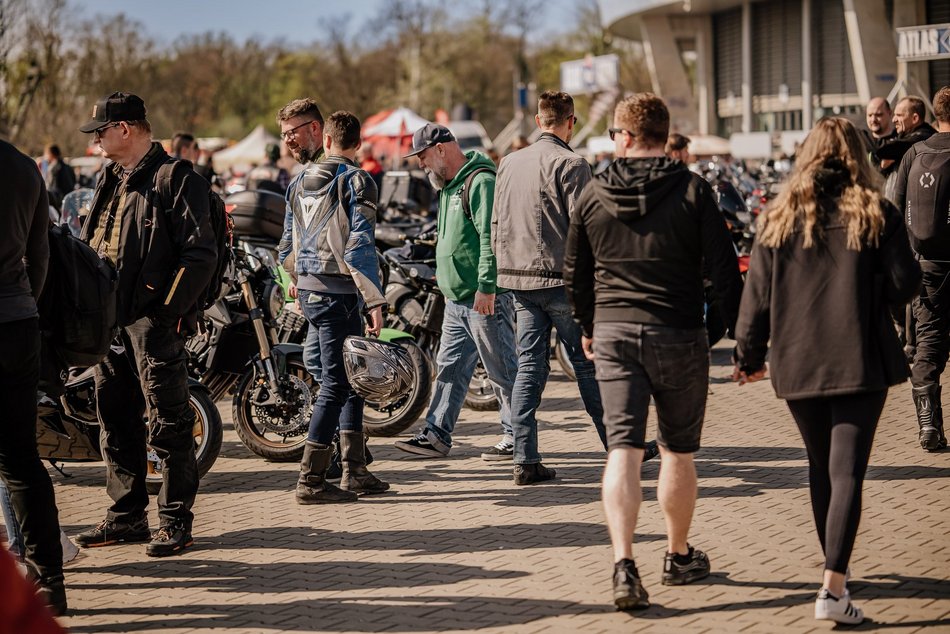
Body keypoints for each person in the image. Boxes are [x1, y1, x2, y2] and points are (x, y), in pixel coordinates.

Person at [734, 117, 920, 624]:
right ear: (858, 154)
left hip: (798, 360)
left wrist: (748, 358)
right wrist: (869, 281)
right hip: (859, 356)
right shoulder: (876, 211)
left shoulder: (778, 216)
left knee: (822, 468)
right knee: (848, 472)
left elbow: (757, 300)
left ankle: (833, 575)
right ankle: (834, 586)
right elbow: (906, 285)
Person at [564, 93, 743, 611]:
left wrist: (588, 325)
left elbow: (574, 271)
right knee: (676, 450)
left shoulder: (594, 193)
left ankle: (623, 565)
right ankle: (678, 554)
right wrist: (719, 335)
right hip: (678, 330)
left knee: (623, 449)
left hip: (616, 333)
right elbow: (725, 271)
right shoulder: (692, 190)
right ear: (664, 137)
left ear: (622, 136)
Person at [74, 92, 218, 557]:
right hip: (109, 322)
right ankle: (126, 516)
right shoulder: (110, 178)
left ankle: (175, 521)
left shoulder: (176, 179)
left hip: (152, 324)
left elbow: (200, 256)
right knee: (114, 421)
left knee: (169, 423)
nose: (95, 139)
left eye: (101, 130)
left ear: (127, 129)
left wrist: (167, 314)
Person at [492, 90, 606, 484]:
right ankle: (621, 448)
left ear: (540, 121)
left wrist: (502, 268)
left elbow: (496, 222)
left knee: (528, 369)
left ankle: (525, 459)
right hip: (561, 282)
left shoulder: (508, 161)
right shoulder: (572, 163)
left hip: (519, 280)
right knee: (588, 366)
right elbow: (586, 229)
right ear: (570, 121)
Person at [278, 110, 389, 503]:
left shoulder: (297, 182)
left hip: (309, 292)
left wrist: (298, 281)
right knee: (337, 384)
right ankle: (310, 480)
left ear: (325, 140)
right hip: (339, 293)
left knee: (351, 377)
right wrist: (374, 300)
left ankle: (355, 470)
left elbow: (286, 246)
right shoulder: (357, 180)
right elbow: (360, 247)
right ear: (358, 144)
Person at [393, 124, 518, 459]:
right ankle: (436, 435)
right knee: (449, 367)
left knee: (501, 369)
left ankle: (518, 436)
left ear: (442, 149)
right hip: (455, 300)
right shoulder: (447, 185)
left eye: (422, 156)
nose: (420, 164)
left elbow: (491, 241)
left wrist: (486, 287)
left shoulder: (480, 182)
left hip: (482, 298)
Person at [0, 138, 65, 615]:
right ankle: (49, 581)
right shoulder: (25, 168)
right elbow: (41, 255)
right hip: (19, 323)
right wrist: (26, 305)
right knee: (20, 459)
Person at [893, 86, 950, 451]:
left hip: (924, 270)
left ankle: (928, 426)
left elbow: (897, 214)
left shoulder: (914, 153)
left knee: (927, 346)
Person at [878, 96, 937, 202]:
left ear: (915, 118)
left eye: (899, 115)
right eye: (894, 114)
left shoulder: (924, 137)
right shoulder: (902, 135)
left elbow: (884, 150)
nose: (894, 119)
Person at [861, 97, 896, 172]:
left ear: (890, 113)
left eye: (878, 115)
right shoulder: (861, 139)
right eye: (870, 115)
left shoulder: (901, 139)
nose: (873, 120)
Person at [42, 144, 76, 212]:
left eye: (45, 154)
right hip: (70, 200)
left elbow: (51, 188)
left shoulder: (53, 168)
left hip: (59, 203)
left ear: (51, 154)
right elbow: (74, 181)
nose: (44, 156)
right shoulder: (68, 166)